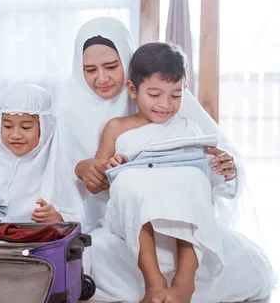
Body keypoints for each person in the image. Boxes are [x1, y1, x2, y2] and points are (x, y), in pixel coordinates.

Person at [54, 17, 275, 302]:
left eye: (111, 66)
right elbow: (77, 176)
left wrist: (225, 168)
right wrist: (88, 169)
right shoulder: (83, 115)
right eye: (89, 69)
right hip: (124, 228)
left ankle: (183, 285)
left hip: (182, 224)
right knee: (93, 260)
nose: (102, 78)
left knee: (239, 264)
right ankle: (155, 284)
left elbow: (212, 159)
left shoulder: (179, 116)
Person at [0, 84, 65, 223]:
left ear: (45, 127)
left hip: (37, 241)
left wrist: (56, 218)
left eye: (26, 127)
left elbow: (75, 217)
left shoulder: (58, 163)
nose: (15, 135)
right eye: (7, 126)